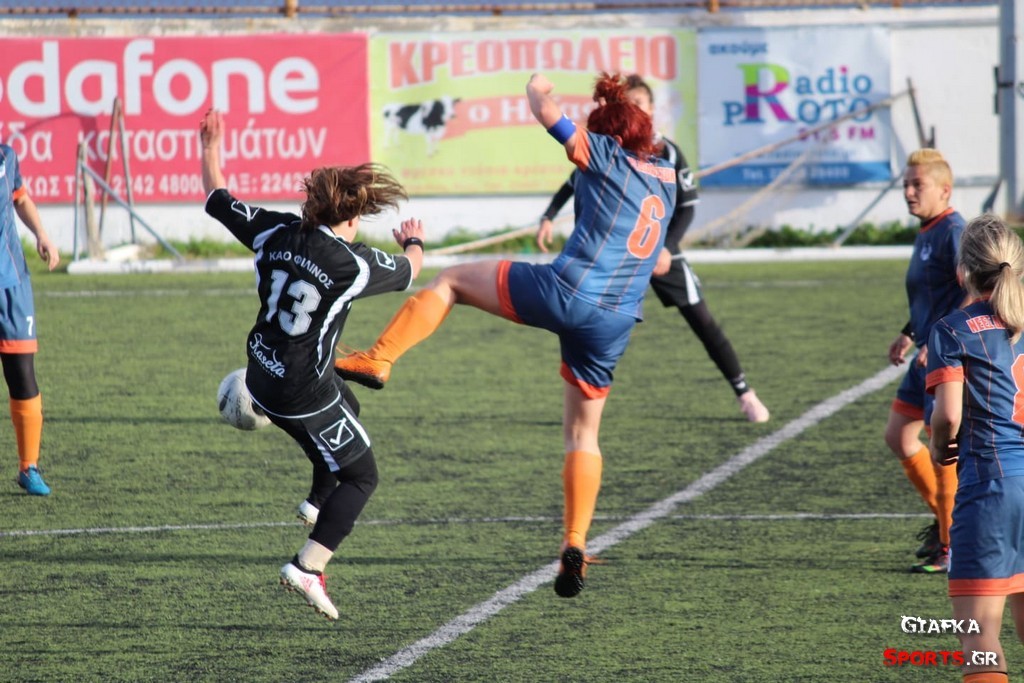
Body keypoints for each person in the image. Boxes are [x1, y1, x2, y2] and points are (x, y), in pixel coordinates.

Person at [336, 72, 677, 598]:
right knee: (583, 436)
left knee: (451, 281)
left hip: (568, 290)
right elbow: (659, 260)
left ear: (609, 134)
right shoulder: (667, 178)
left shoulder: (604, 154)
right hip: (615, 323)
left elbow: (545, 110)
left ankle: (379, 358)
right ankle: (575, 542)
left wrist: (540, 85)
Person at [199, 108, 424, 620]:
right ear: (352, 218)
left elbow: (217, 198)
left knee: (349, 405)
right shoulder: (354, 263)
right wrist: (413, 241)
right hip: (301, 392)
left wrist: (210, 147)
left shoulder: (275, 230)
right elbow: (412, 270)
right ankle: (308, 566)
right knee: (363, 477)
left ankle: (316, 501)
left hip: (260, 372)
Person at [537, 74, 769, 423]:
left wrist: (666, 247)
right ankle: (580, 404)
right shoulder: (608, 147)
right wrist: (548, 216)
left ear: (651, 108)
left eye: (640, 103)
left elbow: (687, 207)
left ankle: (744, 392)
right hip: (613, 255)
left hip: (657, 251)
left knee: (702, 320)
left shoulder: (668, 152)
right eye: (628, 104)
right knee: (585, 317)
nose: (635, 109)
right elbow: (571, 182)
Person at [927, 213, 1024, 683]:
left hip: (991, 485)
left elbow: (948, 416)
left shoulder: (953, 329)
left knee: (979, 639)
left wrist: (937, 447)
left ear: (963, 270)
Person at [885, 148, 966, 574]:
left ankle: (953, 547)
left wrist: (941, 340)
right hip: (924, 356)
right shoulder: (928, 230)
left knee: (942, 451)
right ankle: (947, 524)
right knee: (899, 436)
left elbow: (978, 290)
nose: (909, 192)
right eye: (906, 185)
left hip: (945, 358)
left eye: (918, 185)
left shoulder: (954, 232)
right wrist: (909, 331)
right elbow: (930, 295)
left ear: (944, 190)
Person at [0, 144, 60, 496]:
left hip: (12, 285)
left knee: (22, 374)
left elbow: (20, 198)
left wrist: (42, 234)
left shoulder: (6, 157)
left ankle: (29, 466)